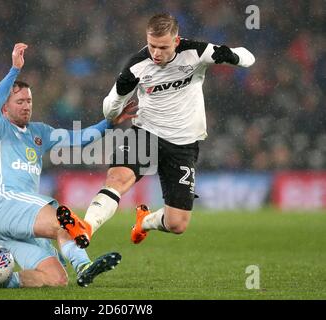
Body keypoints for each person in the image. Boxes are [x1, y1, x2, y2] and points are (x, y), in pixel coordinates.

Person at [58, 13, 255, 248]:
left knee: (177, 224)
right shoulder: (136, 65)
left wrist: (230, 55)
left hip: (183, 144)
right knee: (118, 178)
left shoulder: (197, 52)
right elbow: (109, 108)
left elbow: (248, 58)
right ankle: (87, 227)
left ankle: (145, 222)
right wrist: (117, 104)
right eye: (152, 46)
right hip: (146, 134)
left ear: (176, 41)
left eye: (163, 47)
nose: (156, 53)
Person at [0, 43, 136, 289]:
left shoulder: (39, 132)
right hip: (7, 203)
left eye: (29, 101)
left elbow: (79, 138)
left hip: (17, 222)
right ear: (5, 107)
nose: (26, 106)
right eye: (19, 101)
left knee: (56, 279)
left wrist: (109, 122)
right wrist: (14, 70)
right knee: (64, 220)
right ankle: (84, 266)